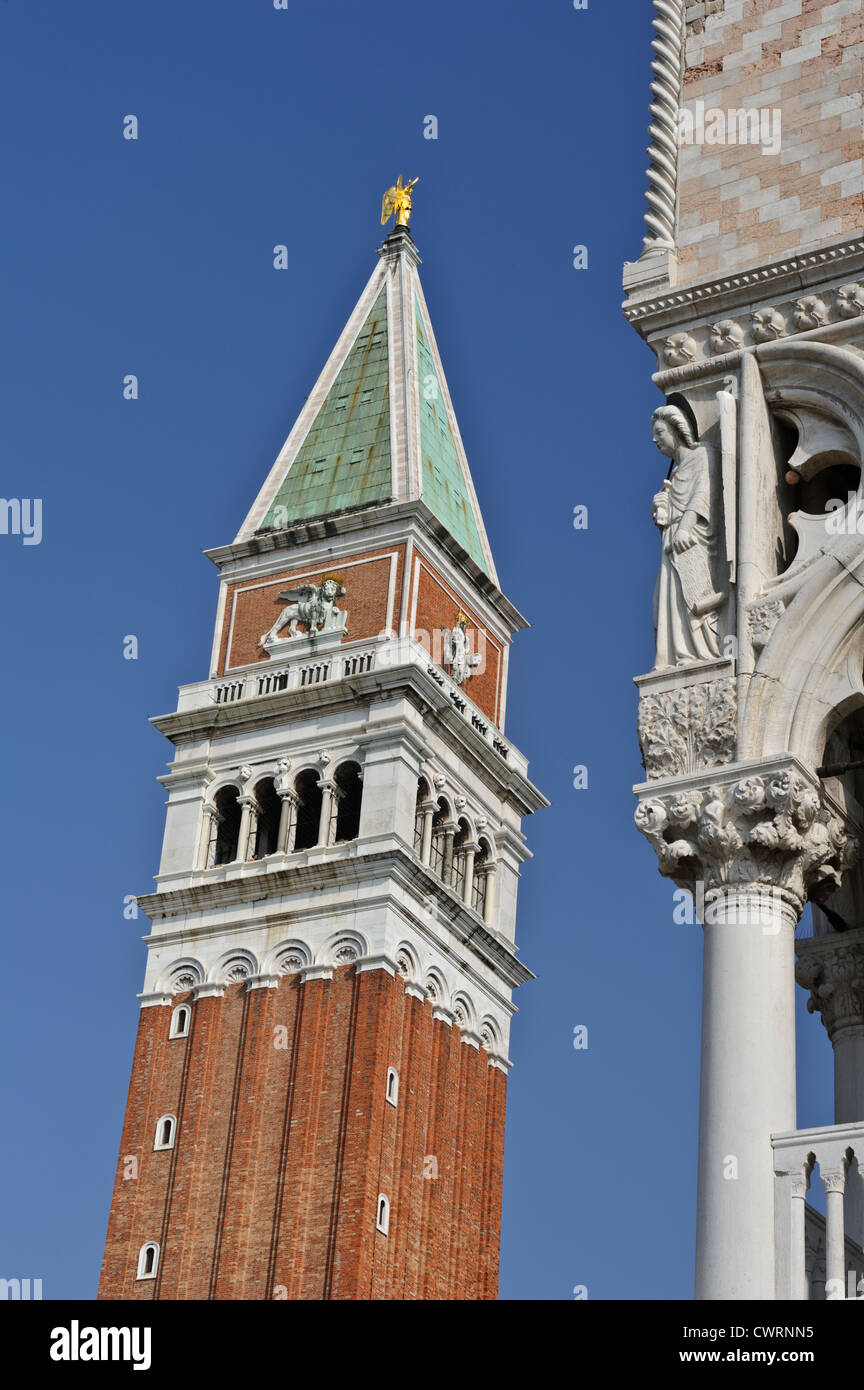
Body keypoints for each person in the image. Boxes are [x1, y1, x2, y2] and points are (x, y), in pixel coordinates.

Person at [650, 405, 724, 668]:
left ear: (676, 430)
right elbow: (671, 513)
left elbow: (703, 493)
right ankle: (676, 653)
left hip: (692, 541)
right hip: (672, 544)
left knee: (692, 597)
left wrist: (684, 526)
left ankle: (699, 652)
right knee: (666, 603)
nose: (654, 439)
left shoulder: (703, 454)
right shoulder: (676, 471)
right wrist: (660, 507)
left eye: (660, 432)